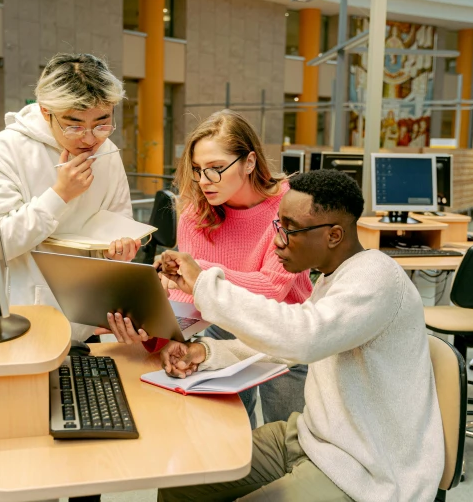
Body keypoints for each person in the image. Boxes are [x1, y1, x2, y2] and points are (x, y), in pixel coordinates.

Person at [152, 170, 444, 502]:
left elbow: (303, 338)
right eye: (278, 225)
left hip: (366, 469)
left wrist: (205, 284)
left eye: (291, 229)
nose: (278, 240)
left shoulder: (376, 278)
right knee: (181, 479)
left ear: (334, 235)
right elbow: (285, 348)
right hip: (311, 438)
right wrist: (206, 353)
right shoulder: (334, 278)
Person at [107, 109, 313, 428]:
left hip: (284, 330)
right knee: (224, 436)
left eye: (216, 169)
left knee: (288, 436)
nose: (204, 181)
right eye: (198, 170)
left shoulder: (291, 207)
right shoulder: (195, 212)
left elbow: (273, 289)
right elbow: (188, 295)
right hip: (222, 325)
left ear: (249, 162)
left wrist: (199, 274)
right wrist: (161, 334)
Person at [0, 53, 140, 343]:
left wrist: (120, 250)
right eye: (75, 125)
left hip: (84, 319)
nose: (90, 138)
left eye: (102, 123)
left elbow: (120, 222)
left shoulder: (108, 152)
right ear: (45, 111)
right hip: (17, 319)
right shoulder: (2, 150)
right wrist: (60, 195)